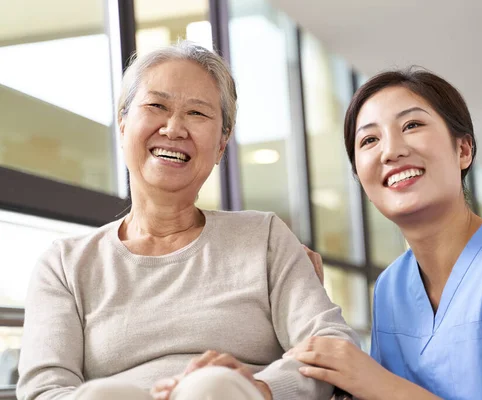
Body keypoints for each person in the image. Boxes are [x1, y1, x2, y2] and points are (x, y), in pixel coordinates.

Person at [17, 41, 358, 400]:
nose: (174, 128)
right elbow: (45, 391)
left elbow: (331, 343)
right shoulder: (66, 264)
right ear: (122, 124)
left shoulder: (265, 237)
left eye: (197, 113)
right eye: (156, 106)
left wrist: (260, 387)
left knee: (213, 385)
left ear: (221, 144)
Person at [287, 68, 482, 399]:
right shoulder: (392, 287)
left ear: (463, 150)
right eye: (369, 140)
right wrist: (304, 301)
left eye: (412, 125)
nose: (390, 151)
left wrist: (382, 384)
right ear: (361, 180)